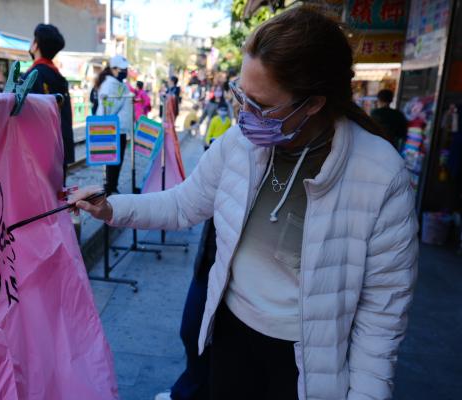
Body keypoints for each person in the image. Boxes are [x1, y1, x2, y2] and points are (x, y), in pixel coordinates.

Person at [71, 7, 418, 399]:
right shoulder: (240, 144)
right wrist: (111, 208)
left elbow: (382, 314)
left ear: (314, 104)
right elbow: (184, 205)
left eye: (261, 105)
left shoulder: (381, 174)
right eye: (241, 96)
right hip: (231, 336)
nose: (244, 115)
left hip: (307, 363)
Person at [25, 23, 75, 172]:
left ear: (35, 46)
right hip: (58, 146)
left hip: (38, 150)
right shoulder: (57, 75)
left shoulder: (33, 75)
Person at [96, 55, 132, 194]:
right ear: (114, 69)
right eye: (122, 69)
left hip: (120, 128)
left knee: (117, 160)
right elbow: (108, 107)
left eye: (126, 69)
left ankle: (113, 186)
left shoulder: (120, 85)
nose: (125, 72)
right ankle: (110, 188)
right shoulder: (109, 85)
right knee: (112, 159)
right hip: (112, 128)